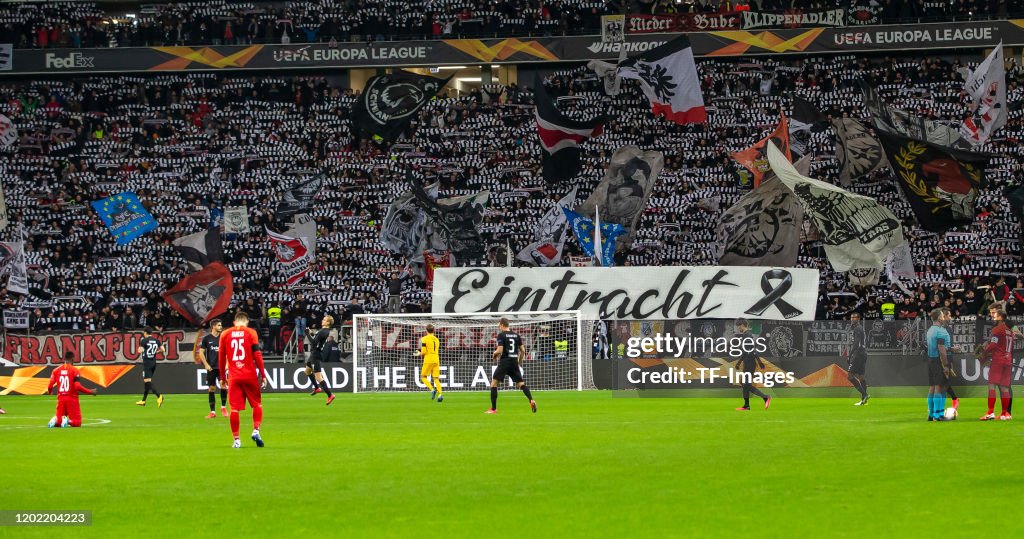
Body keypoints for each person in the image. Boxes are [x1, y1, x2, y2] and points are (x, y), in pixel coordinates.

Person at [219, 310, 268, 448]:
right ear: (246, 322)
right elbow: (257, 355)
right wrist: (263, 375)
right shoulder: (251, 332)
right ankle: (256, 430)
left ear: (234, 322)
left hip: (234, 377)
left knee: (234, 409)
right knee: (257, 404)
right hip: (250, 375)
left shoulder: (225, 334)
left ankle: (236, 440)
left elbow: (221, 358)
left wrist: (223, 377)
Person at [487, 317, 536, 414]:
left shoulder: (501, 335)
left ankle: (493, 409)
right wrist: (519, 362)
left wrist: (494, 354)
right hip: (514, 361)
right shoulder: (516, 335)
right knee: (521, 384)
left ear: (502, 324)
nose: (499, 327)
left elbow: (500, 350)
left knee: (494, 384)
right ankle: (531, 400)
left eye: (499, 325)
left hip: (505, 361)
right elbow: (523, 350)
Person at [979, 306, 1014, 420]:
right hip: (1008, 361)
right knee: (1004, 388)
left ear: (1000, 317)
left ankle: (990, 412)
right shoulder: (1010, 331)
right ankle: (1005, 414)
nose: (993, 316)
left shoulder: (996, 329)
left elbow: (993, 345)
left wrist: (984, 352)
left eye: (995, 314)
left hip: (998, 361)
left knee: (991, 386)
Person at [47, 351, 97, 428]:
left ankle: (56, 420)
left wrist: (50, 392)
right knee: (77, 422)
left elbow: (50, 385)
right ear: (73, 359)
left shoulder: (56, 370)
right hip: (72, 399)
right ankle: (68, 421)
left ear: (65, 359)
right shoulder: (74, 370)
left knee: (59, 423)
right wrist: (90, 391)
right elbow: (77, 386)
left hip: (61, 399)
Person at [733, 318, 771, 411]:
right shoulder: (746, 335)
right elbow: (747, 351)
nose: (738, 328)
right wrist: (740, 362)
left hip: (750, 363)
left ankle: (765, 397)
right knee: (744, 384)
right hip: (748, 361)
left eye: (738, 326)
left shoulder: (747, 335)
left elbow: (752, 350)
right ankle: (747, 405)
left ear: (742, 325)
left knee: (746, 384)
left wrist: (758, 361)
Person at [925, 308, 954, 421]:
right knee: (940, 387)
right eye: (942, 315)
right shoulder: (940, 331)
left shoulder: (930, 330)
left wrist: (951, 348)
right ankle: (938, 415)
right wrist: (946, 365)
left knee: (932, 387)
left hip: (930, 361)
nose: (943, 317)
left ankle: (931, 414)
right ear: (938, 318)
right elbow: (941, 349)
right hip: (938, 362)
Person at [198, 319, 228, 418]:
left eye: (221, 325)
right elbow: (201, 352)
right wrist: (206, 364)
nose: (221, 327)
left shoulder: (223, 338)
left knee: (223, 386)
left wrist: (227, 364)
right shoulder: (207, 338)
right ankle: (213, 412)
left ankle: (223, 407)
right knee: (211, 389)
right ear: (213, 326)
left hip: (221, 367)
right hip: (211, 368)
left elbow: (228, 352)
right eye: (219, 325)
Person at [304, 315, 336, 405]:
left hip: (316, 355)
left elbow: (314, 343)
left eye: (324, 320)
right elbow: (317, 340)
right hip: (314, 354)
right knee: (307, 371)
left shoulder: (323, 331)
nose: (322, 320)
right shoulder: (324, 331)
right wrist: (311, 333)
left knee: (318, 377)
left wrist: (307, 334)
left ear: (328, 323)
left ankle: (330, 395)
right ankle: (316, 388)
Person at [136, 327, 166, 407]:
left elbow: (140, 350)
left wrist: (142, 349)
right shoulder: (157, 340)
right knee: (147, 382)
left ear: (145, 332)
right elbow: (163, 349)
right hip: (153, 363)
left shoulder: (144, 340)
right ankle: (143, 401)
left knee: (148, 382)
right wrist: (156, 351)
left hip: (147, 363)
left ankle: (159, 396)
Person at [414, 324, 443, 403]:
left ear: (426, 330)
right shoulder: (437, 339)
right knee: (436, 378)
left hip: (428, 359)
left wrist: (418, 353)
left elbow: (423, 352)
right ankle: (440, 395)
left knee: (423, 377)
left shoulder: (424, 339)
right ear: (434, 330)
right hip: (436, 359)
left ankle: (432, 389)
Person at [848, 313, 869, 405]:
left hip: (858, 354)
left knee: (850, 376)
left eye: (854, 317)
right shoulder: (860, 328)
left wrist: (850, 355)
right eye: (851, 317)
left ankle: (865, 394)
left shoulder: (857, 328)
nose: (852, 319)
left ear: (859, 319)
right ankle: (864, 400)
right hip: (863, 353)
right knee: (861, 376)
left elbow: (856, 343)